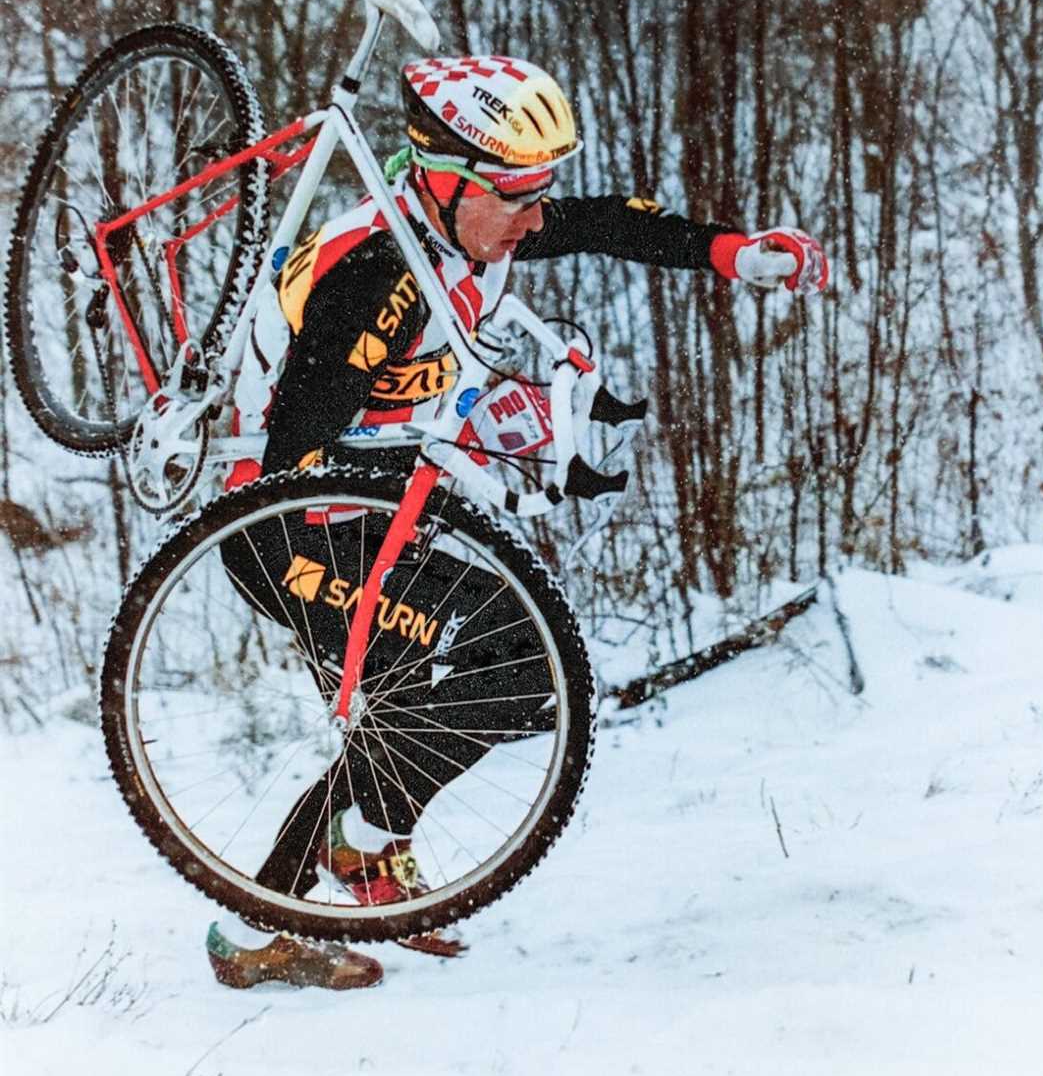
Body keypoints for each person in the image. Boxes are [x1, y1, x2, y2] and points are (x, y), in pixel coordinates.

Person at [207, 53, 829, 991]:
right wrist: (468, 427)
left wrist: (729, 251)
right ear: (446, 180)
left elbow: (599, 222)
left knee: (505, 673)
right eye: (516, 194)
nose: (536, 215)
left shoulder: (465, 229)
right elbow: (300, 449)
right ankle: (272, 917)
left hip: (363, 519)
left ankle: (356, 858)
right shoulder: (385, 277)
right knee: (454, 691)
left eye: (540, 191)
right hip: (285, 528)